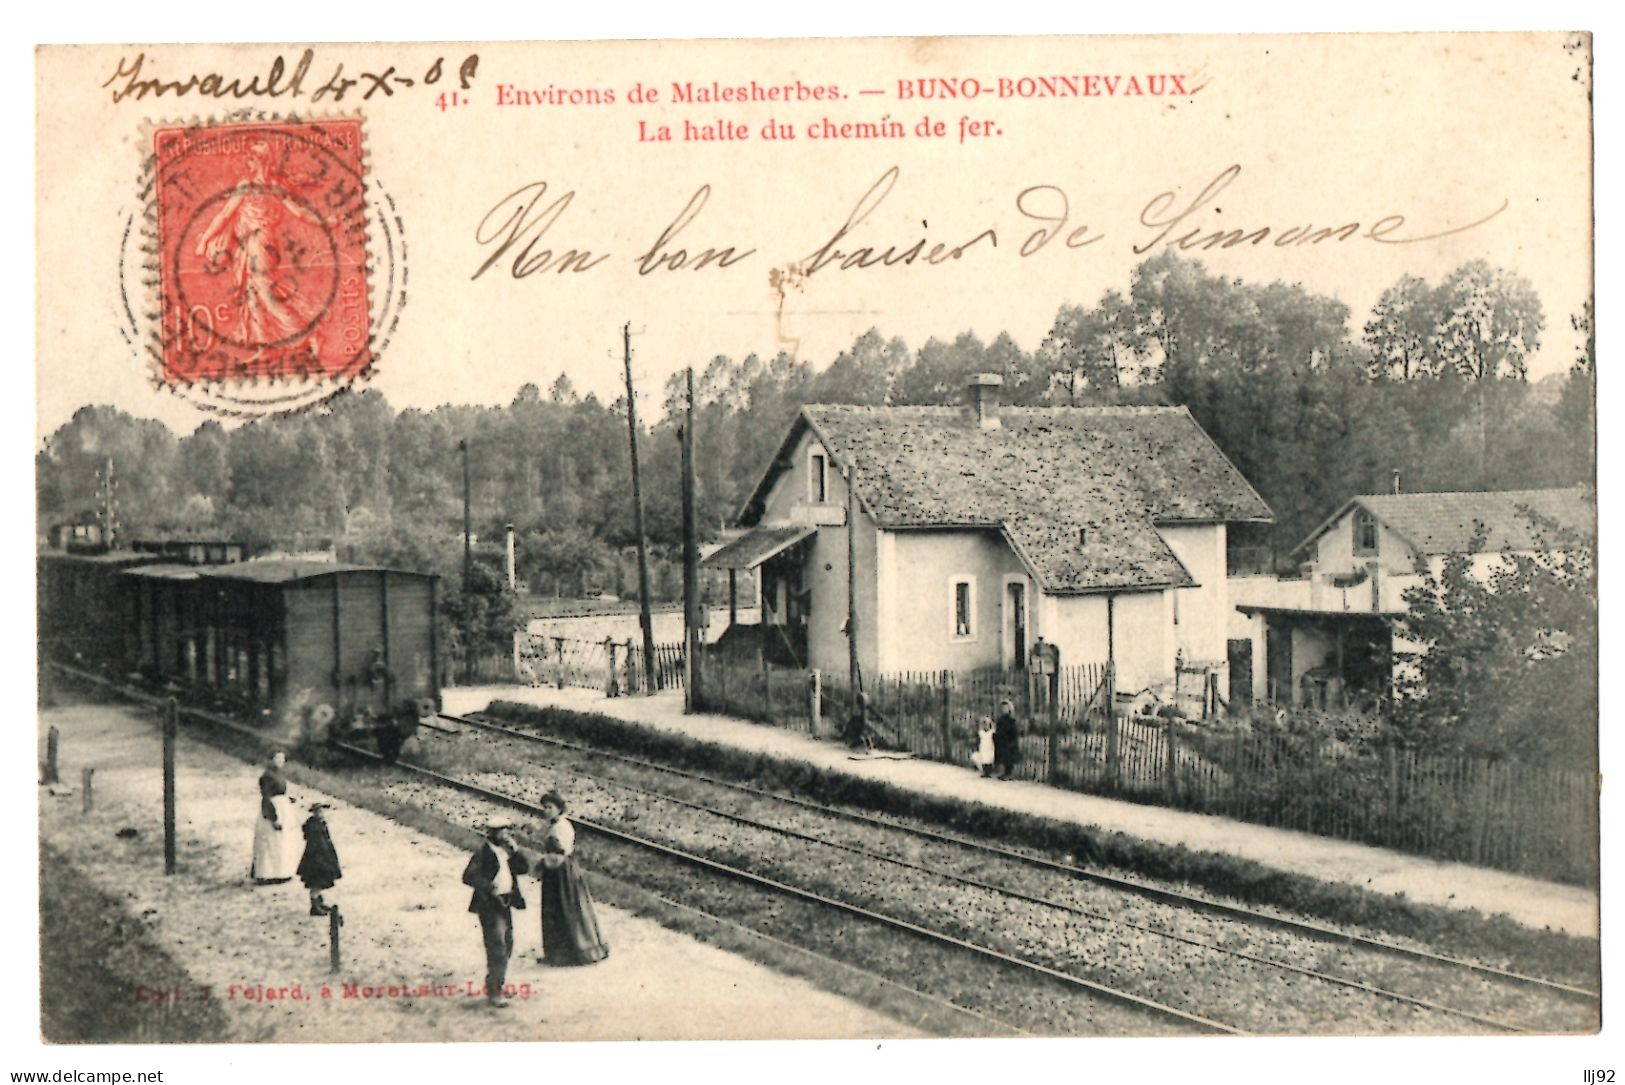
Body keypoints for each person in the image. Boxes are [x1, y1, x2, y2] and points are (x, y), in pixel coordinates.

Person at [462, 816, 532, 1006]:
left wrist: (516, 850)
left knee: (507, 944)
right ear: (492, 833)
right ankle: (494, 991)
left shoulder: (506, 852)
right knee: (497, 947)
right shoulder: (483, 853)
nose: (506, 835)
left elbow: (524, 868)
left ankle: (496, 983)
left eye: (507, 830)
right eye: (502, 831)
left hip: (506, 903)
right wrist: (488, 885)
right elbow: (468, 876)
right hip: (490, 905)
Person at [535, 792, 609, 966]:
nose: (546, 811)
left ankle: (565, 954)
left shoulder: (560, 828)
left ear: (559, 809)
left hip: (560, 872)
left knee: (562, 909)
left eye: (550, 808)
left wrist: (542, 863)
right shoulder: (559, 825)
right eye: (544, 808)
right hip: (562, 870)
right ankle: (561, 952)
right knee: (565, 909)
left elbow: (559, 853)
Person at [251, 750, 299, 883]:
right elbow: (266, 797)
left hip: (282, 808)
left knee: (281, 842)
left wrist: (287, 799)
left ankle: (281, 872)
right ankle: (268, 874)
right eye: (277, 758)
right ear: (270, 760)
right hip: (273, 810)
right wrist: (272, 818)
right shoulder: (266, 776)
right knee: (271, 842)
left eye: (282, 759)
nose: (280, 761)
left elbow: (279, 791)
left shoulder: (278, 774)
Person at [297, 802, 342, 916]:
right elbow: (318, 844)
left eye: (322, 811)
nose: (321, 814)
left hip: (322, 856)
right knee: (316, 882)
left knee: (320, 883)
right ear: (314, 813)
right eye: (318, 812)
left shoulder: (320, 824)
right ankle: (314, 906)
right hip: (317, 859)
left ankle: (319, 902)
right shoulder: (314, 827)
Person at [993, 698, 1022, 780]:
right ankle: (1005, 773)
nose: (1004, 710)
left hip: (1009, 741)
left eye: (1005, 708)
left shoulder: (1012, 720)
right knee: (1003, 757)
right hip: (1002, 741)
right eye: (1002, 708)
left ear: (1009, 709)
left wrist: (1012, 741)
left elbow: (1014, 732)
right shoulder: (1000, 720)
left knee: (1009, 758)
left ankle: (1009, 773)